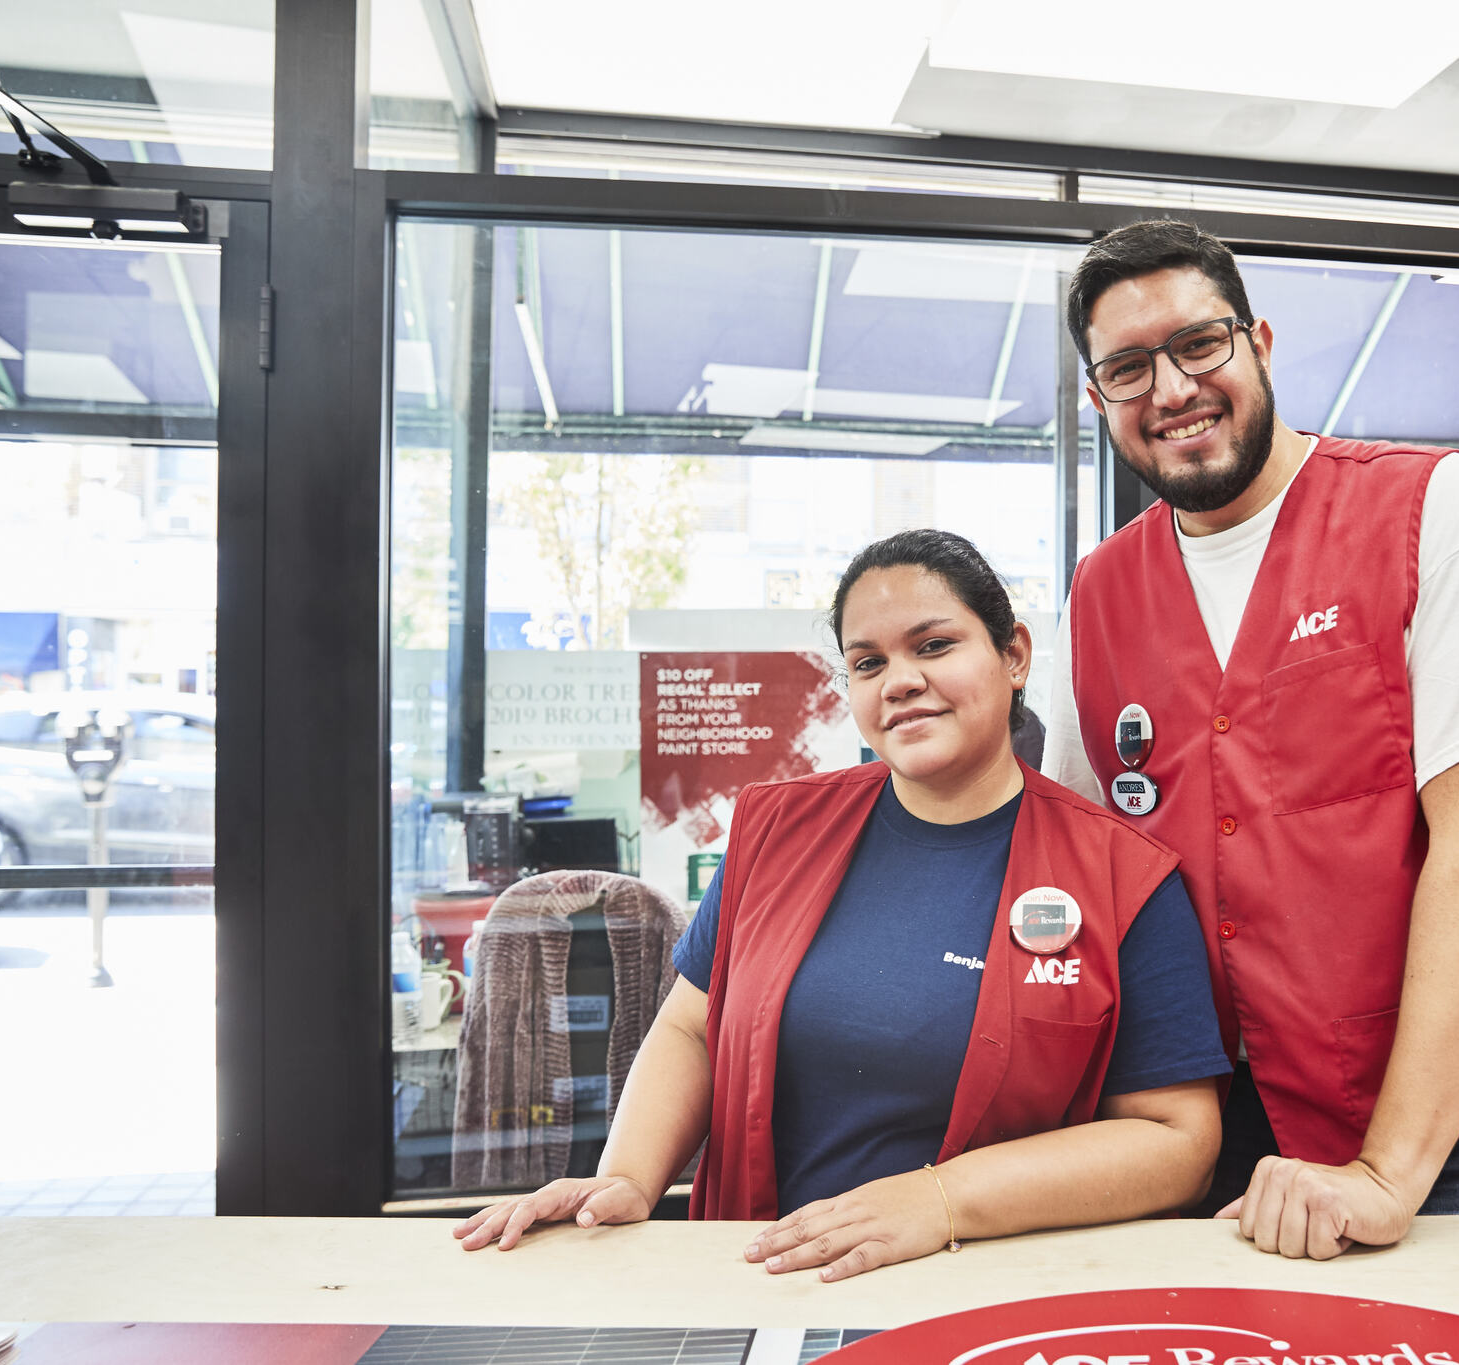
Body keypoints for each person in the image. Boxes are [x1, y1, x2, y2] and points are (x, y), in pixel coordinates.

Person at [456, 529, 1228, 1280]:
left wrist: (940, 1200)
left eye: (933, 646)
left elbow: (1179, 1142)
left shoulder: (1124, 876)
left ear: (1014, 654)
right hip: (767, 1282)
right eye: (869, 661)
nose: (899, 680)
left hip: (991, 1293)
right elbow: (692, 1026)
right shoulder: (775, 830)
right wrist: (626, 1177)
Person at [1045, 219, 1459, 1259]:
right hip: (1217, 1119)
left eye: (1197, 346)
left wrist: (1388, 1174)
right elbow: (1090, 865)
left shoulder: (1434, 507)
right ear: (1096, 398)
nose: (1168, 390)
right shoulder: (1099, 590)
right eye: (1125, 369)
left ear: (1256, 339)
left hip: (1451, 1119)